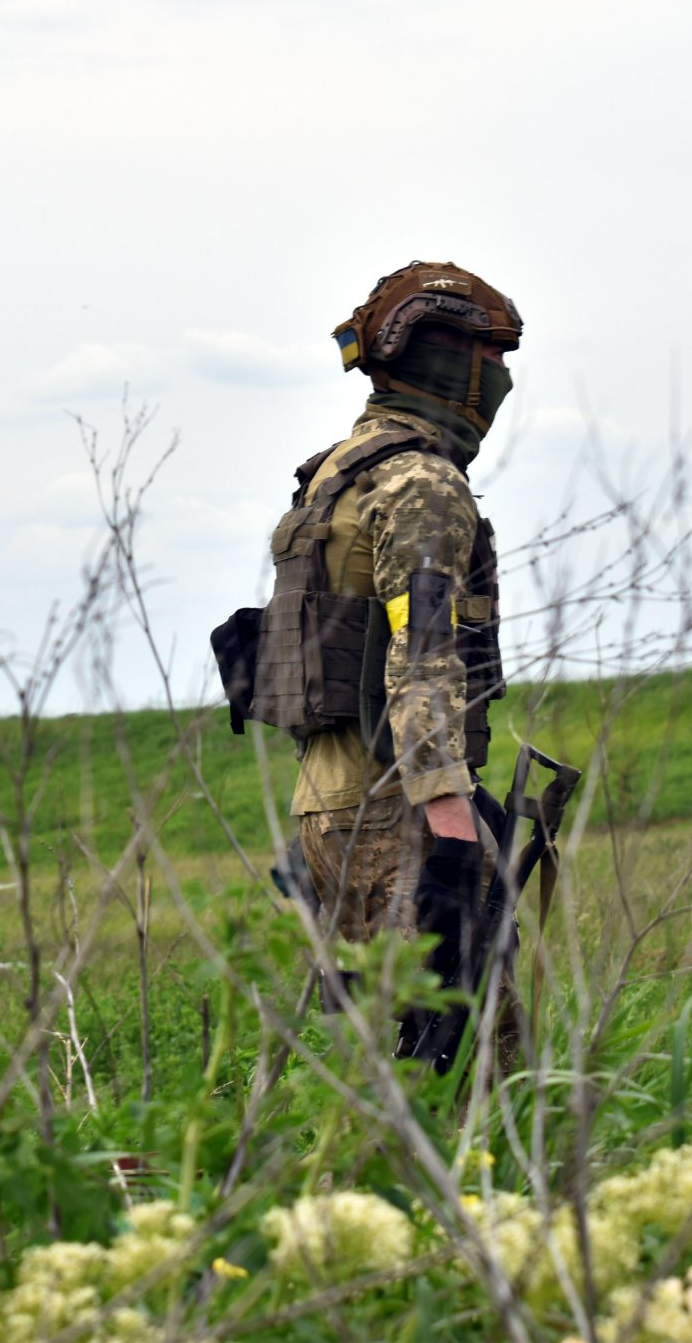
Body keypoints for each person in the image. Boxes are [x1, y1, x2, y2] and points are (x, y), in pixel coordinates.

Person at [213, 260, 521, 1071]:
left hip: (329, 807)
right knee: (480, 1069)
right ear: (450, 363)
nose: (501, 381)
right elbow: (421, 661)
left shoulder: (337, 475)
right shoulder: (422, 483)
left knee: (383, 1064)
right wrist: (454, 838)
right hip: (401, 813)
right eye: (492, 361)